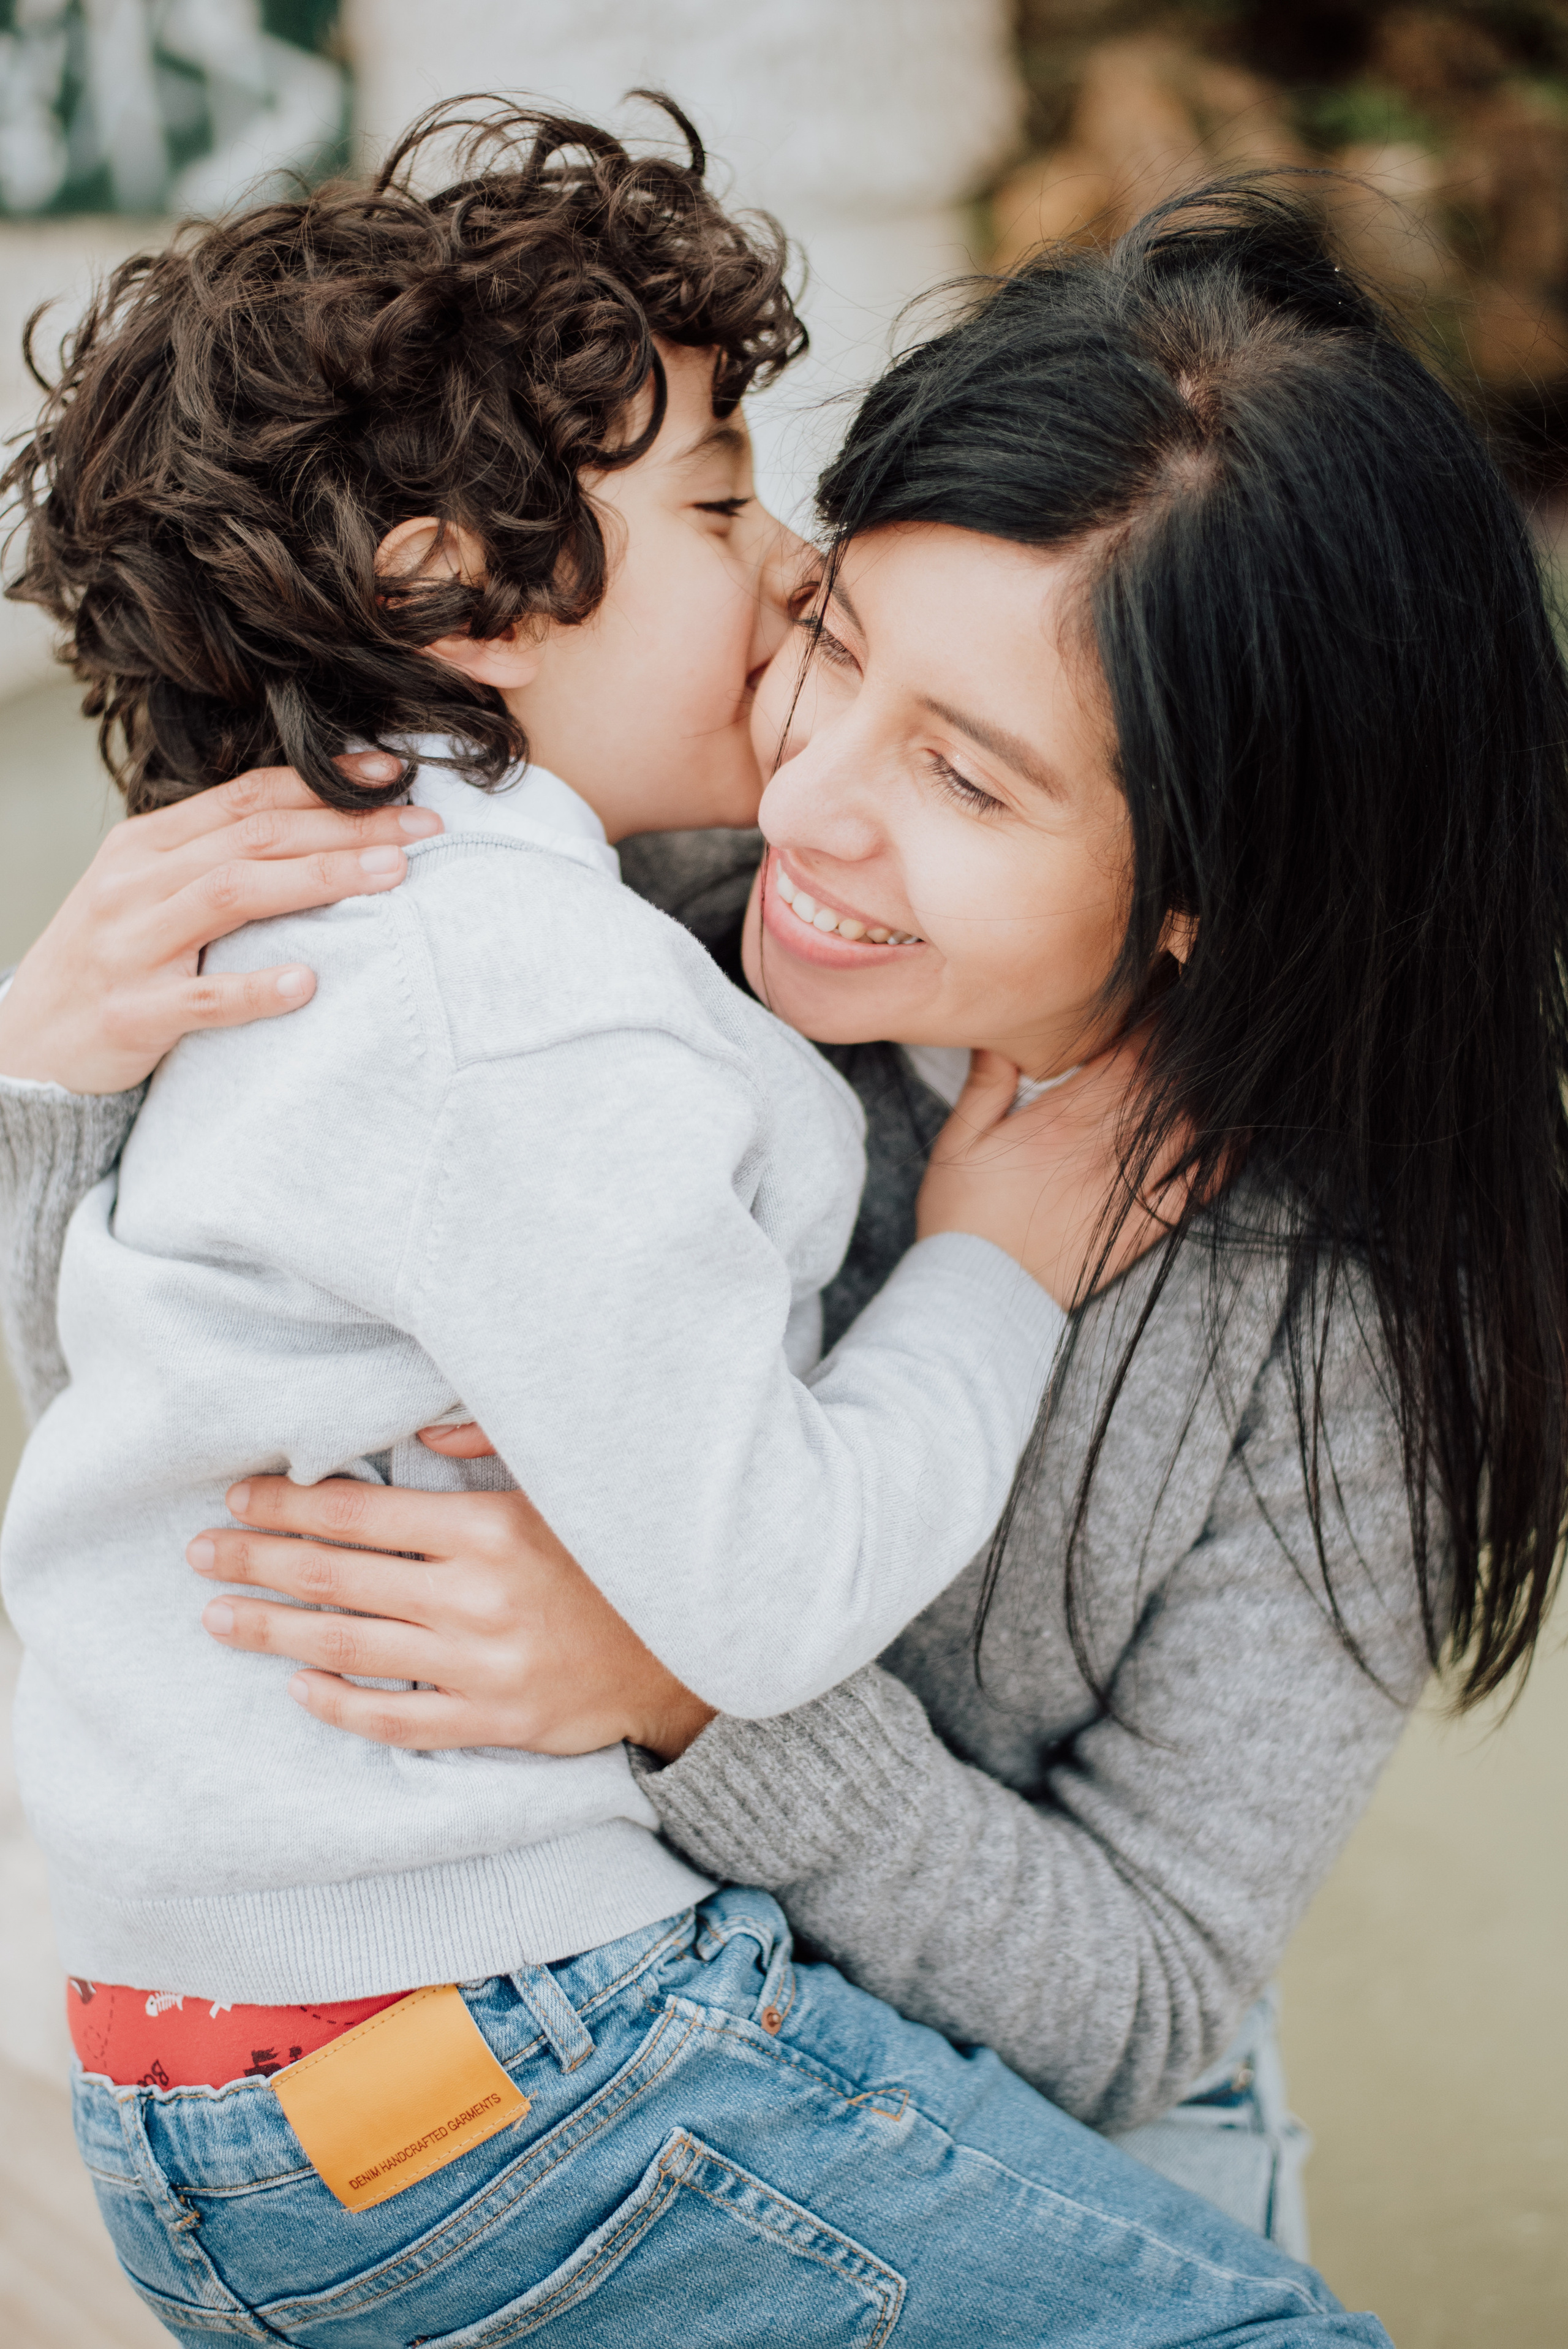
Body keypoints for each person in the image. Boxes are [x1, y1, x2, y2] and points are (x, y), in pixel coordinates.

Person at [0, 99, 1390, 2347]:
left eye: (968, 768)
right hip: (495, 2060)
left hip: (420, 2066)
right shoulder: (584, 964)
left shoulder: (1325, 1314)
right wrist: (52, 1086)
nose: (808, 765)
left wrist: (663, 1700)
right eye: (808, 591)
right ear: (452, 592)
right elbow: (237, 1503)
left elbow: (1130, 1983)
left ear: (1214, 874)